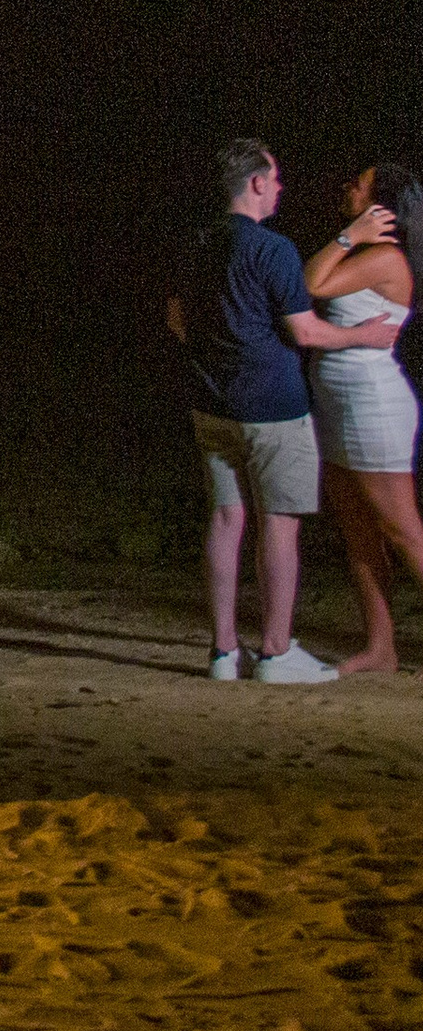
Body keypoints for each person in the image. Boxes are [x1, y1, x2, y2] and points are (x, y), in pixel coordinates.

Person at [166, 138, 401, 683]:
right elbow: (305, 330)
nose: (280, 189)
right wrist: (361, 334)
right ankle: (275, 651)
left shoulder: (197, 242)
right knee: (279, 522)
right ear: (254, 184)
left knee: (225, 520)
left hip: (211, 403)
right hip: (272, 406)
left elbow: (177, 318)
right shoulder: (273, 250)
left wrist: (218, 350)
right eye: (275, 180)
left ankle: (224, 652)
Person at [305, 161, 423, 674]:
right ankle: (381, 647)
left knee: (402, 531)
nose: (349, 185)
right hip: (338, 402)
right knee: (357, 529)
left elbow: (312, 282)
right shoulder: (367, 253)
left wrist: (347, 235)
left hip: (372, 402)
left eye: (361, 184)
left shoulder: (386, 258)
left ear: (382, 206)